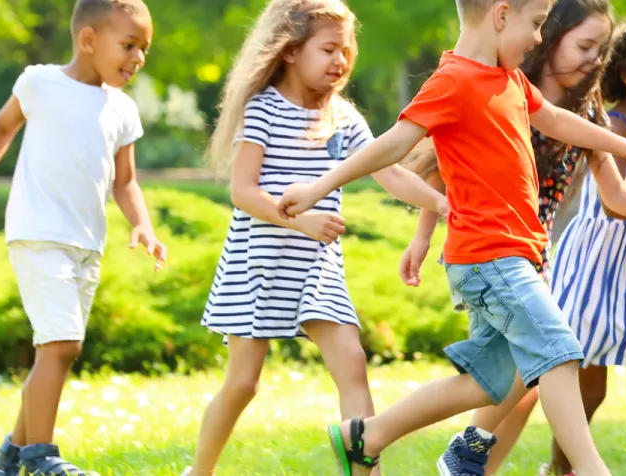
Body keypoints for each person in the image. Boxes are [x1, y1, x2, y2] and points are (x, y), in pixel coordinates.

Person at [275, 0, 626, 471]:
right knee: (560, 353)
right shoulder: (453, 81)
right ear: (502, 16)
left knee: (489, 383)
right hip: (490, 257)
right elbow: (393, 144)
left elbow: (555, 120)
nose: (536, 39)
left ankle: (366, 436)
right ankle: (592, 469)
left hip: (510, 258)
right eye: (535, 24)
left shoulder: (509, 80)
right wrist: (320, 186)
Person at [396, 3, 626, 475]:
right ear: (548, 37)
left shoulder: (583, 109)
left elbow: (615, 193)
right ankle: (479, 457)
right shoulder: (499, 89)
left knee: (519, 380)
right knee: (532, 372)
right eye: (584, 46)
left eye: (600, 50)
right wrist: (423, 236)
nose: (594, 59)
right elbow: (443, 169)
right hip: (491, 249)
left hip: (533, 250)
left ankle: (457, 456)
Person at [184, 1, 449, 475]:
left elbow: (389, 173)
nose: (341, 61)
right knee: (243, 384)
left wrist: (444, 205)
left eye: (346, 50)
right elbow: (243, 192)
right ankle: (198, 471)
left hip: (316, 267)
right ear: (289, 50)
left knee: (352, 363)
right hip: (260, 262)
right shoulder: (263, 109)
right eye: (328, 49)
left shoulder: (342, 118)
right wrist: (298, 220)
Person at [0, 1, 165, 475]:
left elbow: (124, 181)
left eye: (144, 49)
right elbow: (0, 128)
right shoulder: (40, 83)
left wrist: (142, 224)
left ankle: (8, 457)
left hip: (86, 242)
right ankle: (41, 459)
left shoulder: (122, 109)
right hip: (38, 234)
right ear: (88, 40)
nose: (138, 58)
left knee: (55, 349)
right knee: (62, 347)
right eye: (129, 45)